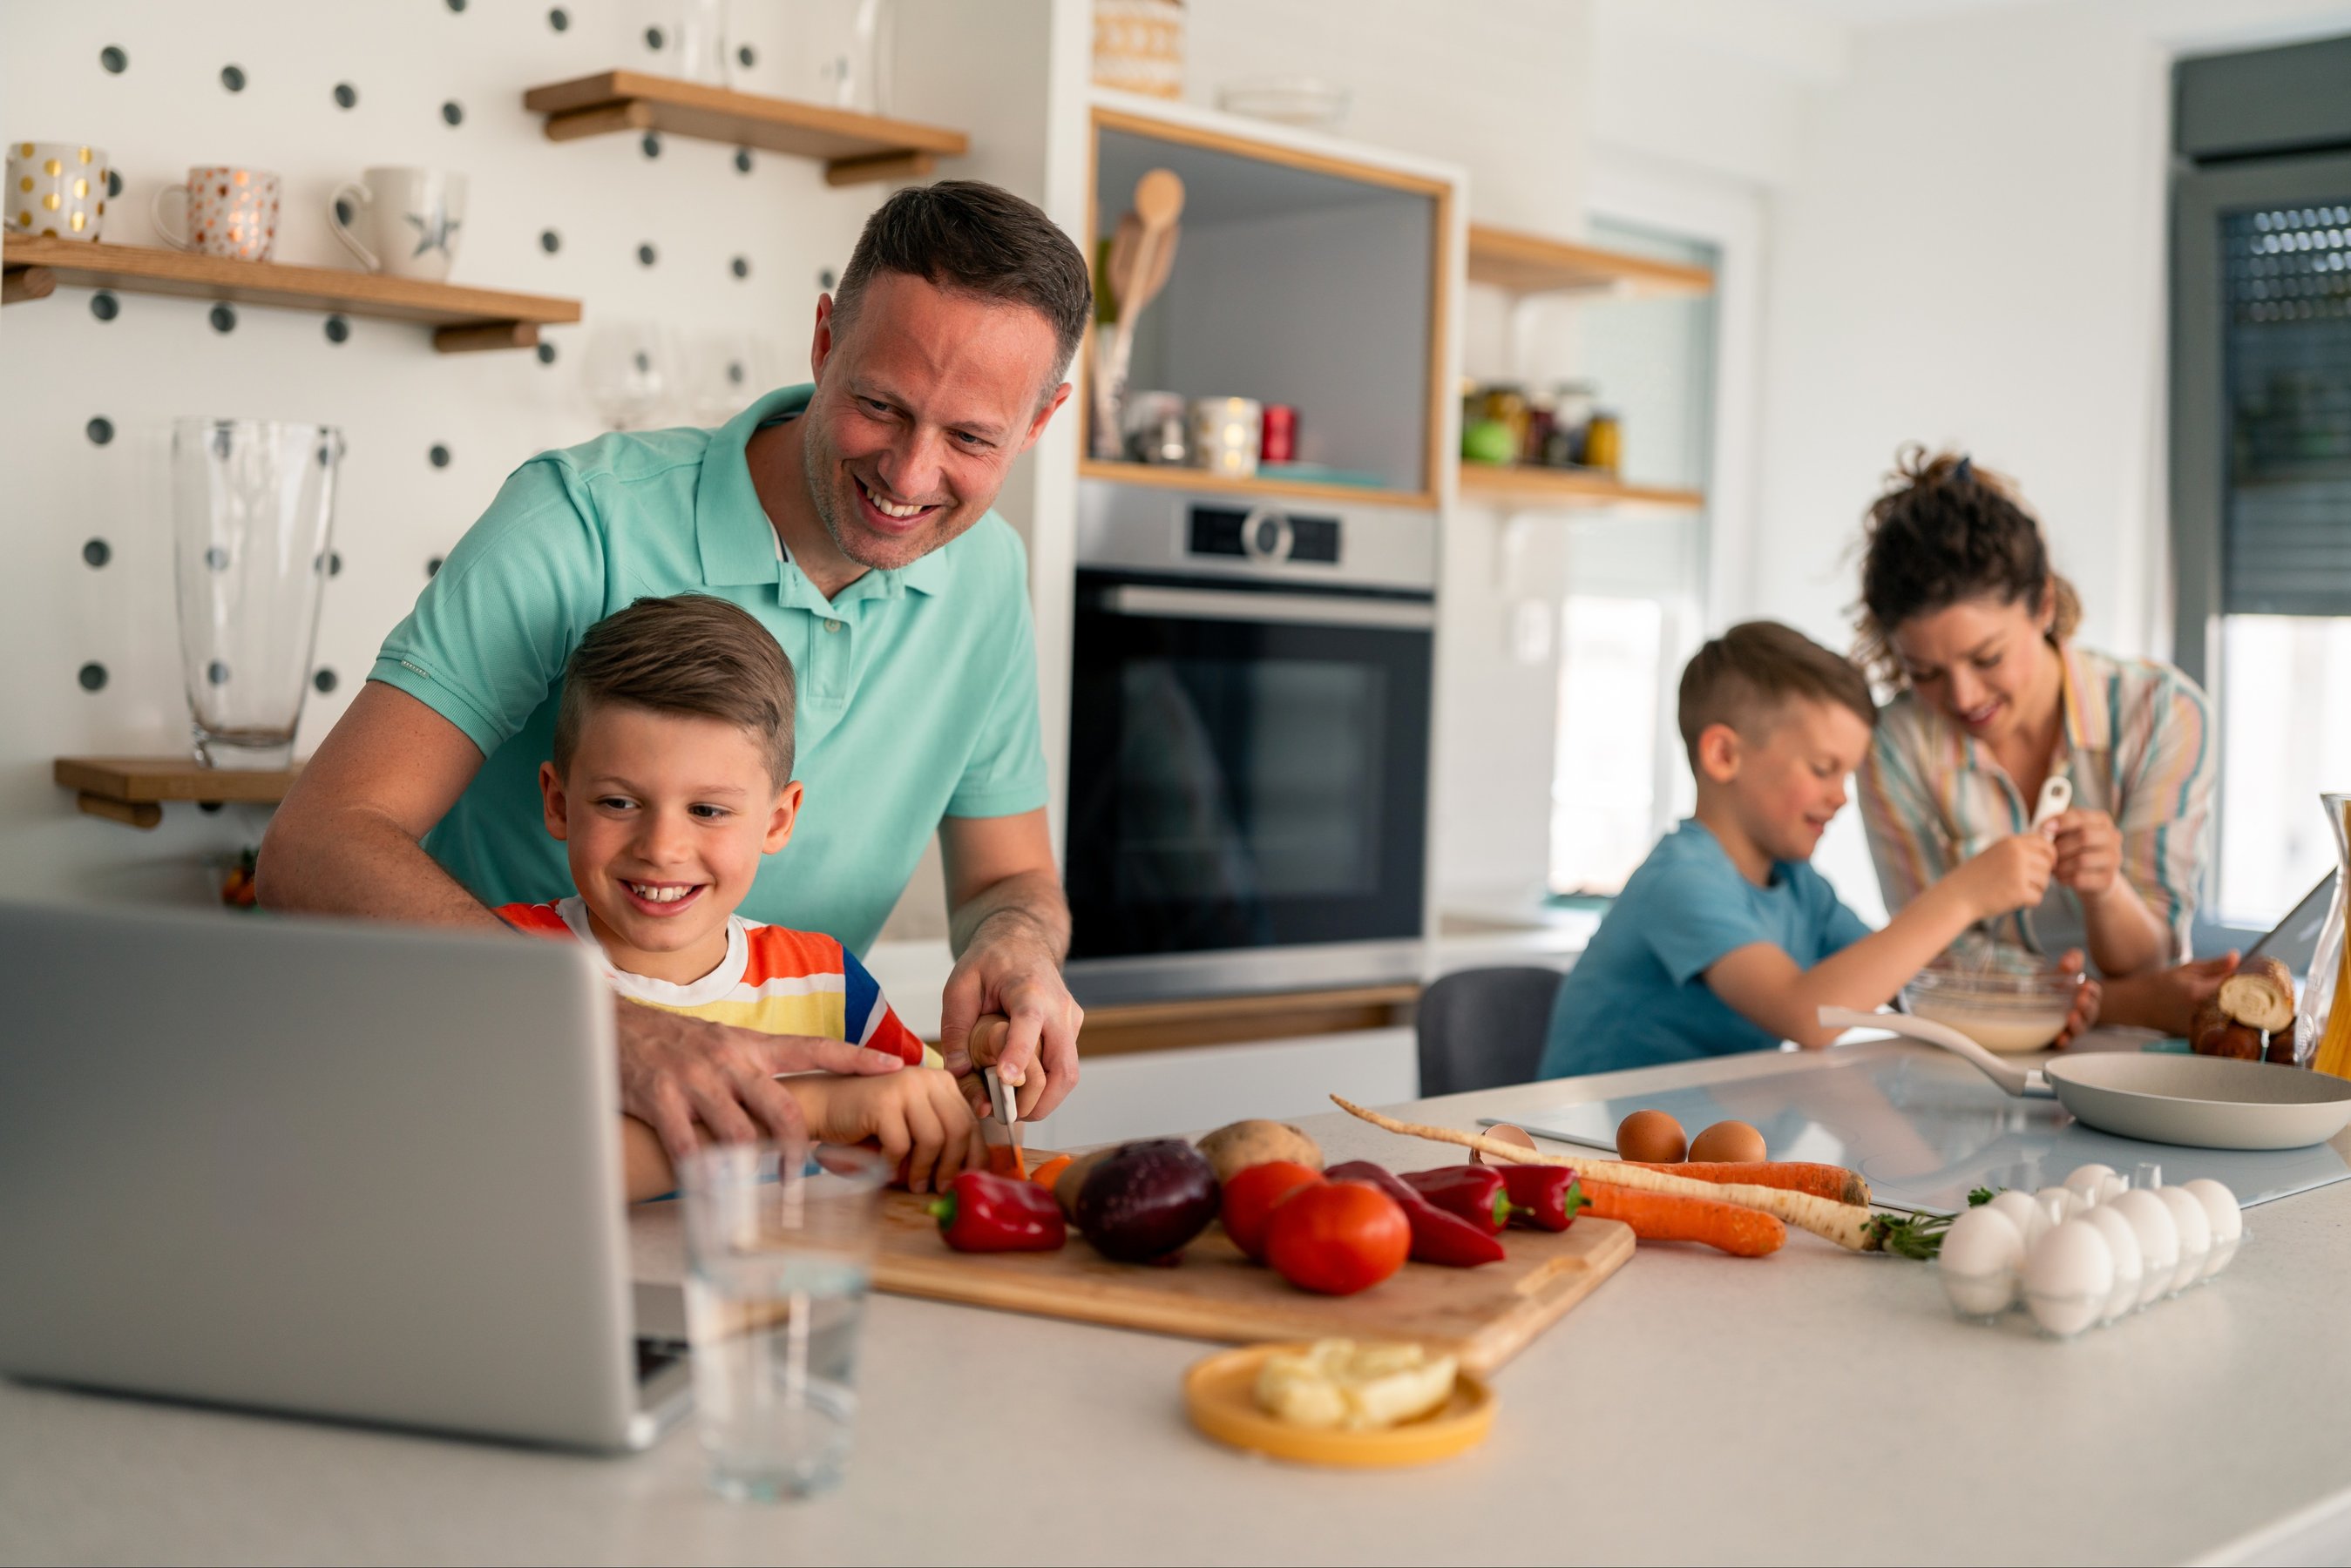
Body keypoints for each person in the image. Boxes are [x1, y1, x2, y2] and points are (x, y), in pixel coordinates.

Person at [256, 180, 1092, 1159]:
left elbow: (1009, 878)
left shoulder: (986, 576)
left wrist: (1018, 943)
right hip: (487, 1110)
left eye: (970, 438)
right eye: (879, 405)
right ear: (823, 342)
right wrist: (603, 1026)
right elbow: (316, 844)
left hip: (771, 1158)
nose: (909, 476)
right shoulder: (576, 520)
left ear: (1039, 422)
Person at [494, 595, 985, 1203]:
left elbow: (948, 1136)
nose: (663, 848)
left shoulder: (829, 985)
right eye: (620, 803)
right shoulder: (499, 966)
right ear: (559, 803)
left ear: (779, 822)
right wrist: (809, 1108)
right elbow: (494, 1175)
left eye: (707, 810)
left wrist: (990, 1080)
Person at [1539, 621, 2076, 1078]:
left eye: (1847, 774)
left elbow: (1905, 983)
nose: (1840, 796)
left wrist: (2037, 997)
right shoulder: (1680, 881)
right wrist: (1964, 896)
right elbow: (1807, 1015)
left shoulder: (1799, 886)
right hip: (1585, 1145)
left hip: (1700, 1138)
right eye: (1823, 769)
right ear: (1725, 755)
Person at [1853, 448, 2232, 1036]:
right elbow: (1930, 962)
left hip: (2134, 1063)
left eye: (1988, 657)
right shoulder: (1894, 748)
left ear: (2045, 604)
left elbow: (2153, 957)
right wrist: (2113, 1002)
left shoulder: (2163, 714)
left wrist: (2105, 889)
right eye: (1923, 671)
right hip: (1974, 1055)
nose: (1962, 695)